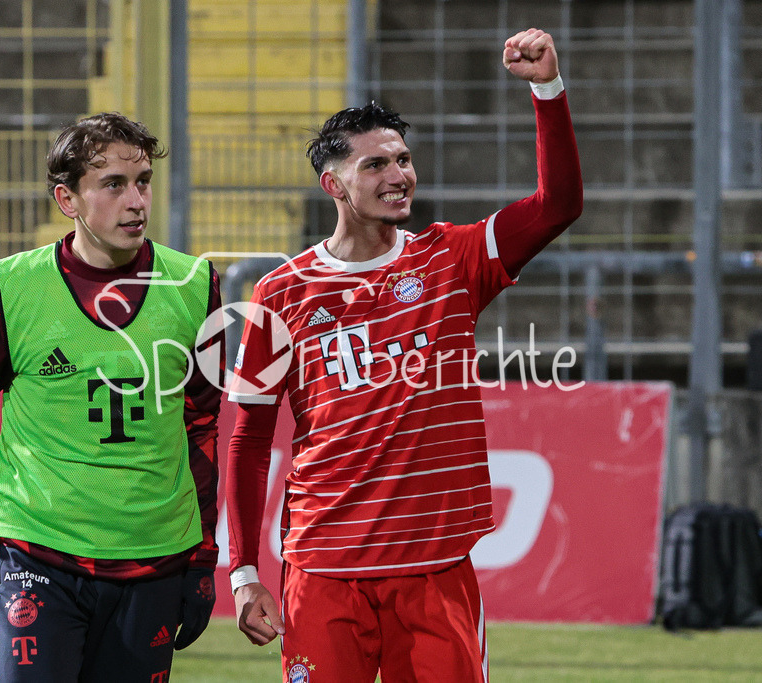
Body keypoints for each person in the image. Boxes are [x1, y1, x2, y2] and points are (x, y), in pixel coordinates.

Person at [225, 28, 582, 681]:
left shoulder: (454, 256)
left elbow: (557, 205)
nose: (399, 175)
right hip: (324, 568)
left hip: (433, 569)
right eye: (376, 165)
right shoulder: (279, 292)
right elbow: (248, 439)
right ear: (334, 185)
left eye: (404, 159)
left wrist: (546, 89)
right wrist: (245, 570)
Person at [0, 112, 222, 682]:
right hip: (40, 553)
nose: (136, 200)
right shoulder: (12, 289)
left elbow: (201, 428)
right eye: (113, 185)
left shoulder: (195, 286)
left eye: (142, 181)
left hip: (155, 558)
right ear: (67, 199)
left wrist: (202, 556)